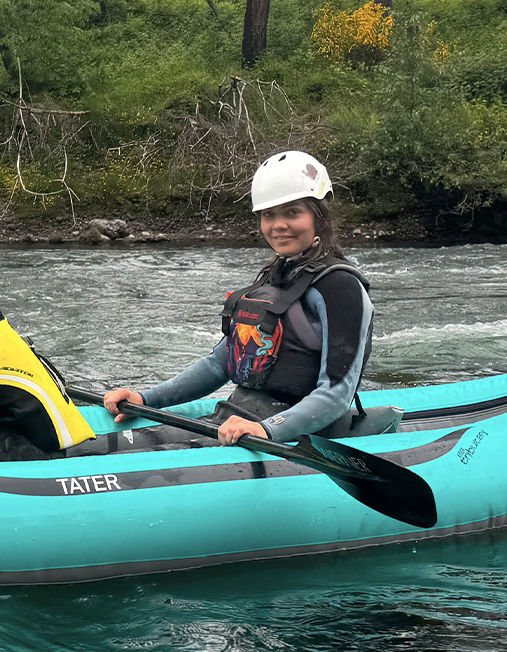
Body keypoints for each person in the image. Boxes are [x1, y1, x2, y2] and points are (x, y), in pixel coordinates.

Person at [103, 151, 373, 445]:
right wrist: (146, 398)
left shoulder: (341, 288)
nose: (278, 225)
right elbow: (220, 364)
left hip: (289, 433)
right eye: (269, 215)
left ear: (319, 217)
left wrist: (269, 429)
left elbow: (336, 392)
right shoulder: (274, 276)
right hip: (240, 416)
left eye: (292, 212)